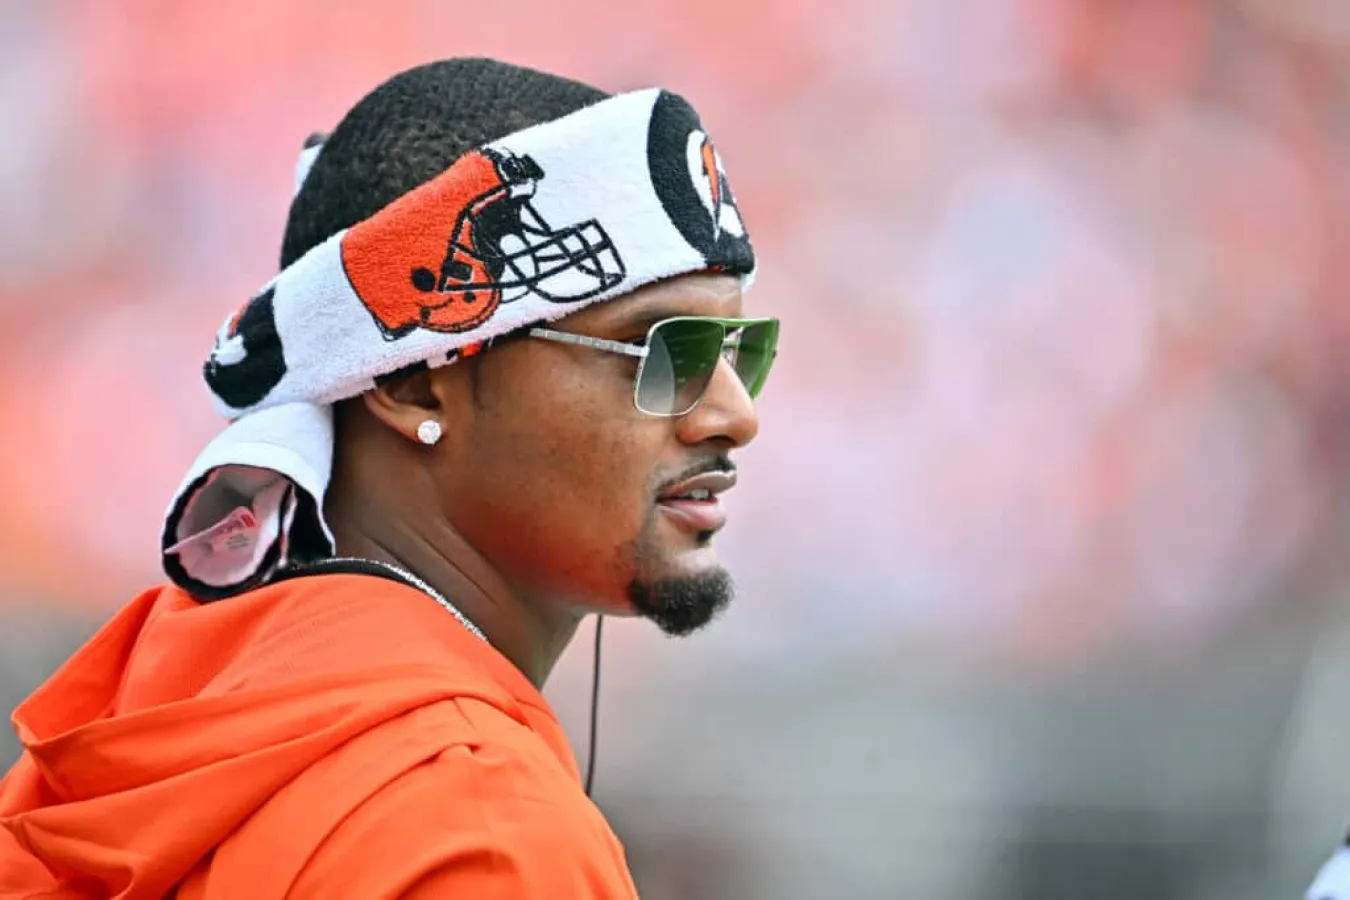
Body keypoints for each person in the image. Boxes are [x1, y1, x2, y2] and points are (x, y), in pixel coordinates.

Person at [0, 57, 778, 898]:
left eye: (738, 351)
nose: (735, 416)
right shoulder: (484, 834)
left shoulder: (156, 715)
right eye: (663, 350)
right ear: (411, 382)